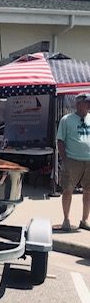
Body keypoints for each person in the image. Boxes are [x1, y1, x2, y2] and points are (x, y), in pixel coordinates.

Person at [56, 93, 90, 232]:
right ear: (78, 104)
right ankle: (66, 220)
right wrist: (65, 160)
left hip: (89, 161)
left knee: (88, 191)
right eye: (86, 102)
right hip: (72, 160)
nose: (89, 105)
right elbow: (60, 140)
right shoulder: (66, 120)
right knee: (67, 190)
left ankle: (84, 220)